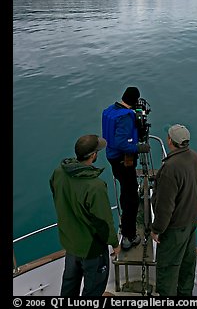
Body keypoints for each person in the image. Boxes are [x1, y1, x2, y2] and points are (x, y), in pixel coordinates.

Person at [49, 134, 121, 297]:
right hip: (92, 249)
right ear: (93, 155)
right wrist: (115, 244)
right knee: (94, 289)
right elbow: (103, 222)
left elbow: (55, 192)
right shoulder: (95, 186)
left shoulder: (59, 172)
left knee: (69, 285)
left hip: (70, 242)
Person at [150, 124, 197, 296]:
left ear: (170, 141)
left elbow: (165, 207)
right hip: (191, 221)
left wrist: (157, 230)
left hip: (175, 228)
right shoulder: (194, 157)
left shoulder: (170, 168)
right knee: (187, 264)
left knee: (168, 269)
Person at [102, 86, 150, 250]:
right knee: (132, 199)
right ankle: (129, 236)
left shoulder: (110, 111)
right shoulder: (125, 117)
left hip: (112, 158)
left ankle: (125, 224)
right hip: (123, 161)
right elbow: (122, 143)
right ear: (135, 101)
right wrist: (139, 148)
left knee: (125, 190)